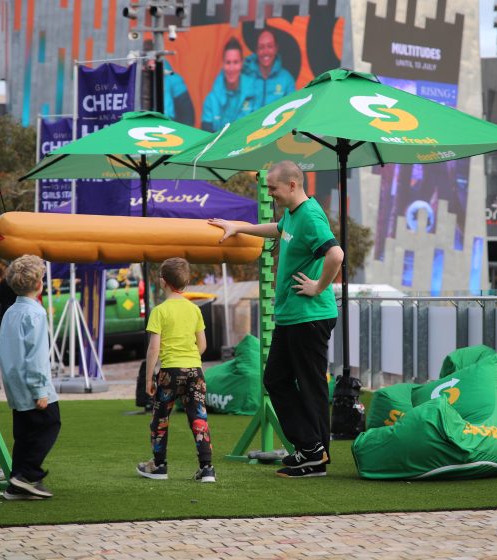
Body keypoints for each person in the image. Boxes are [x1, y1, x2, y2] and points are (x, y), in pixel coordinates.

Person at [209, 161, 343, 478]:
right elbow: (278, 229)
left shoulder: (310, 216)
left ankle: (313, 455)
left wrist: (318, 286)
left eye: (273, 188)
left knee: (308, 386)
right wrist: (239, 227)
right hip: (293, 316)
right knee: (276, 380)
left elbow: (335, 254)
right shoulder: (294, 214)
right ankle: (311, 449)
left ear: (292, 185)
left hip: (309, 316)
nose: (270, 193)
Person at [136, 257, 215, 482]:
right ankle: (207, 468)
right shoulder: (194, 309)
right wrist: (190, 359)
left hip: (169, 372)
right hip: (195, 371)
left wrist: (149, 379)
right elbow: (202, 345)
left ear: (162, 281)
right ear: (186, 282)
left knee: (160, 418)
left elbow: (154, 348)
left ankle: (159, 465)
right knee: (198, 417)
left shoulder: (159, 311)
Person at [0, 255, 61, 500]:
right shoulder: (36, 313)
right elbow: (36, 356)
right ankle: (27, 475)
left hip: (14, 383)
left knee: (24, 433)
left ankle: (17, 483)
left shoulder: (10, 311)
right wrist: (40, 390)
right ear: (39, 284)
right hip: (32, 384)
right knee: (49, 424)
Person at [201, 38, 257, 132]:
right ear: (223, 64)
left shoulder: (254, 93)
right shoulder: (211, 100)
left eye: (235, 62)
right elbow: (206, 136)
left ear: (242, 63)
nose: (231, 68)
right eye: (228, 62)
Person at [243, 28, 296, 109]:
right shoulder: (245, 77)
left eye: (270, 46)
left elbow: (292, 110)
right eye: (261, 47)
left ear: (276, 48)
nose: (265, 52)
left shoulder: (286, 80)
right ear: (256, 50)